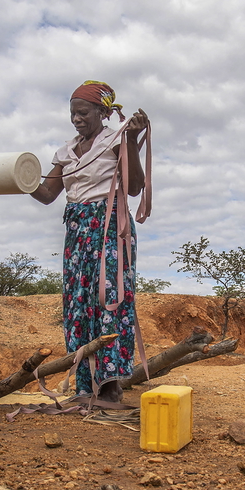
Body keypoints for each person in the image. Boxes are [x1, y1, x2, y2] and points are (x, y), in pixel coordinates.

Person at [31, 81, 150, 404]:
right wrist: (18, 176)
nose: (76, 119)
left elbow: (135, 187)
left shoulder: (115, 139)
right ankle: (85, 386)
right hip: (77, 229)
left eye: (83, 112)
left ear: (102, 112)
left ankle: (111, 386)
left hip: (109, 224)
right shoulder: (66, 152)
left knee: (110, 298)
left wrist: (131, 143)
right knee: (78, 305)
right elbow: (45, 195)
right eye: (72, 113)